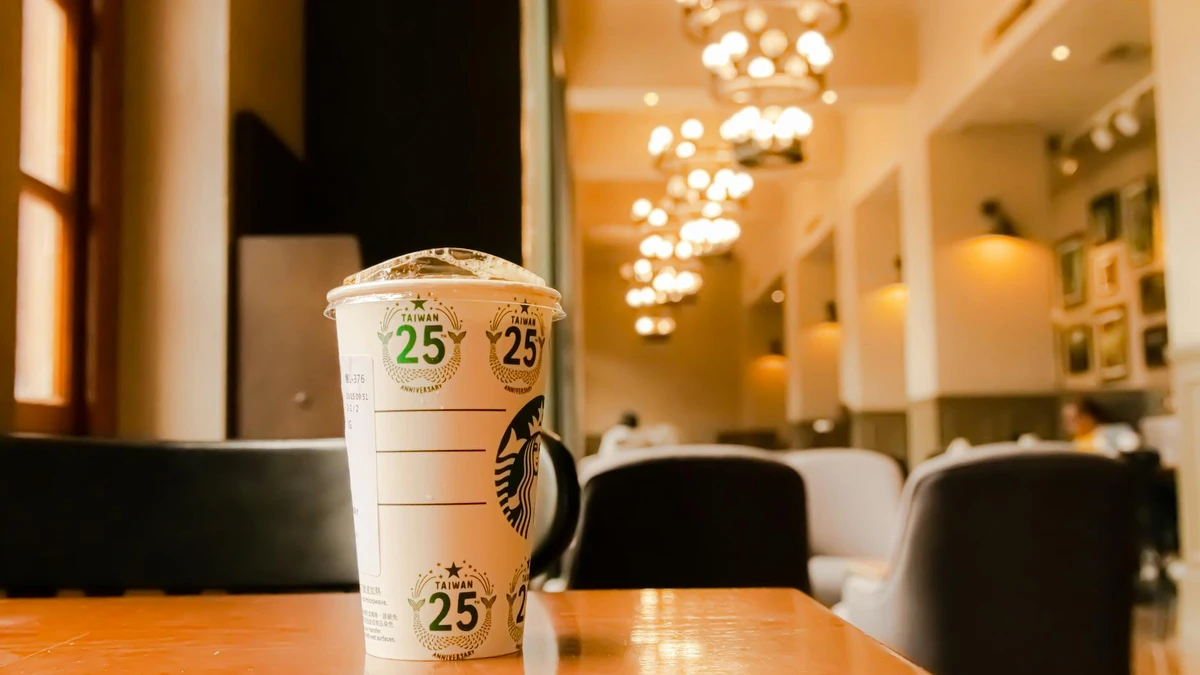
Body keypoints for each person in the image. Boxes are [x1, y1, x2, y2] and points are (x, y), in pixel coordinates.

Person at [1062, 397, 1137, 454]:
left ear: (1089, 417)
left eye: (1073, 418)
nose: (1068, 424)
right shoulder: (1073, 443)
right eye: (1066, 419)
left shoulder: (1116, 433)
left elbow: (1130, 446)